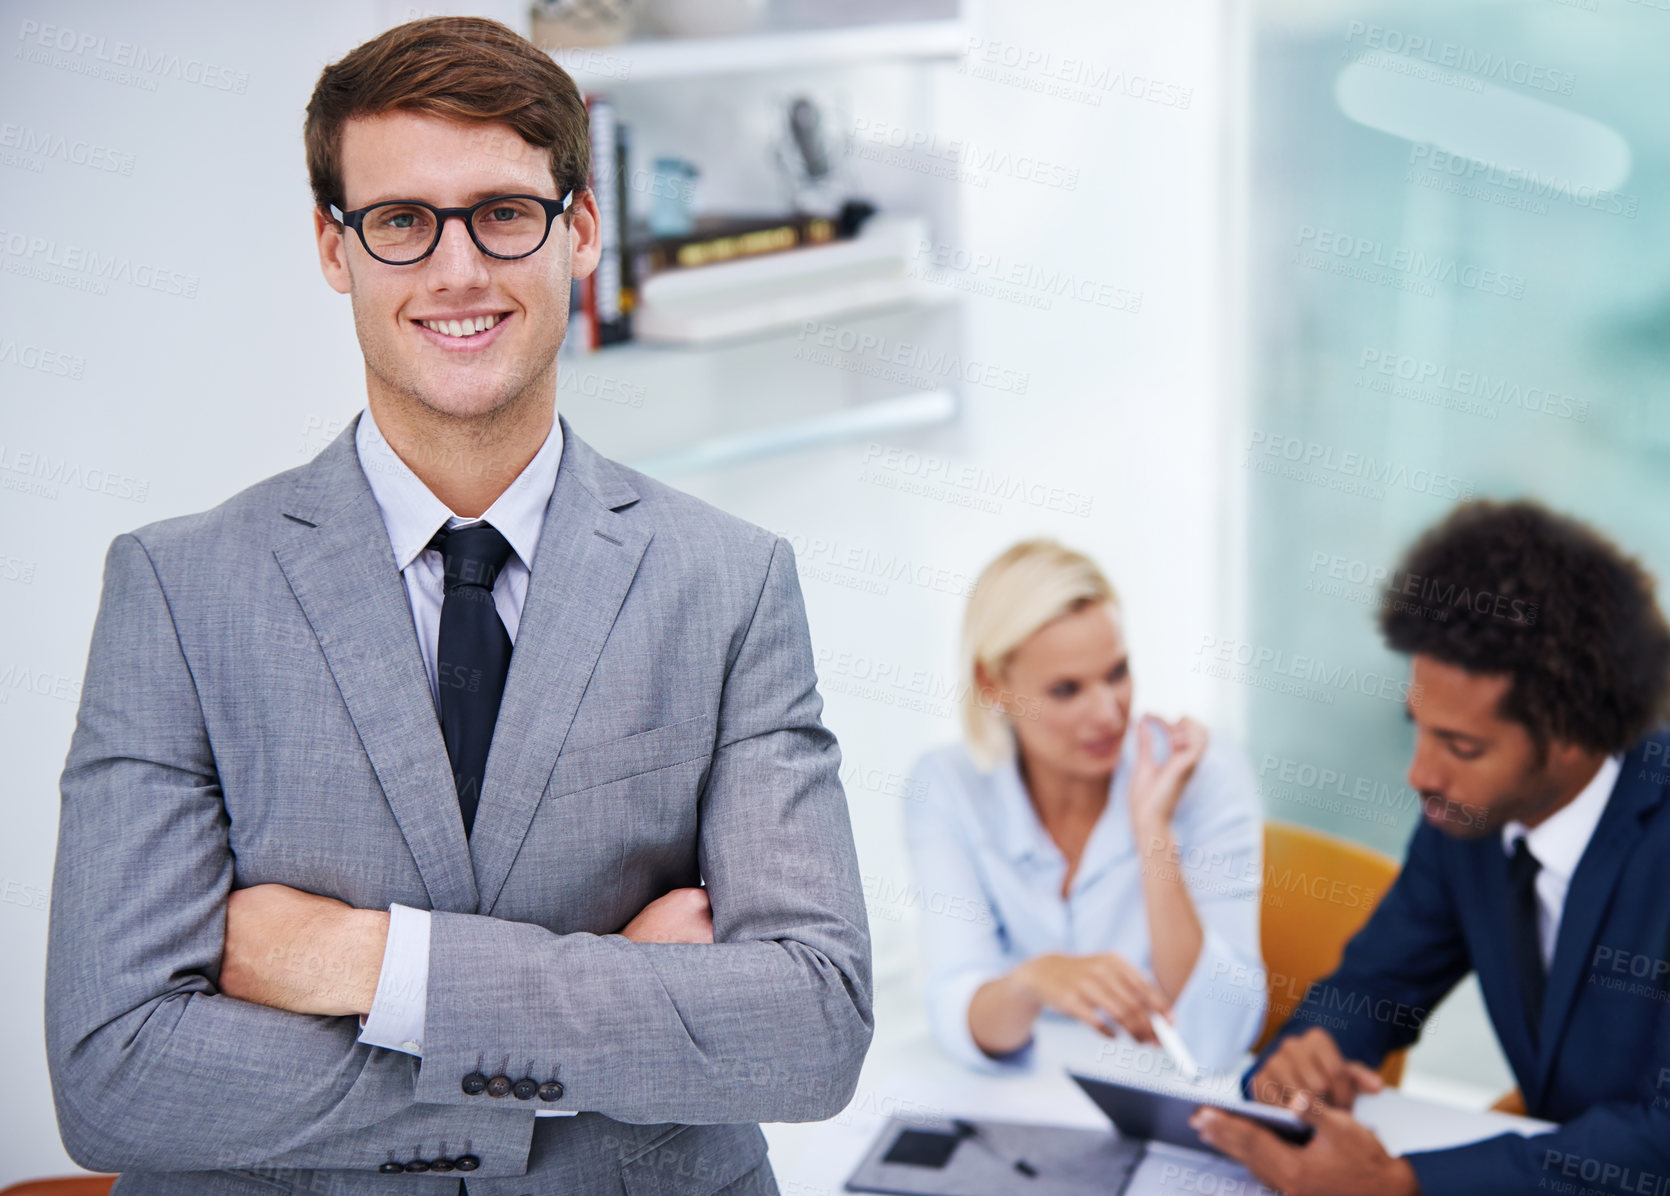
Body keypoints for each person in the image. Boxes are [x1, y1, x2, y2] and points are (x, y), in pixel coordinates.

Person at [43, 18, 871, 1195]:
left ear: (578, 229)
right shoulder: (178, 592)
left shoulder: (728, 583)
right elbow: (115, 1068)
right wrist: (594, 1032)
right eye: (399, 221)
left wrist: (373, 962)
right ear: (335, 249)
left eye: (502, 211)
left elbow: (810, 1026)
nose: (456, 270)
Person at [1194, 499, 1670, 1196]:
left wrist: (1401, 1184)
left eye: (1462, 746)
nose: (1420, 774)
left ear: (1573, 736)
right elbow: (1376, 984)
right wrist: (1308, 1056)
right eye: (1417, 726)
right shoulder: (1468, 822)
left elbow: (1661, 1143)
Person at [902, 539, 1267, 1075]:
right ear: (993, 684)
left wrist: (1153, 830)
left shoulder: (1204, 770)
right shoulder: (947, 785)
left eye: (1117, 673)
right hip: (1030, 1093)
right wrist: (1033, 982)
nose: (1107, 714)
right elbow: (955, 1006)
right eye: (1067, 690)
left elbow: (1218, 1037)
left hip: (1167, 1094)